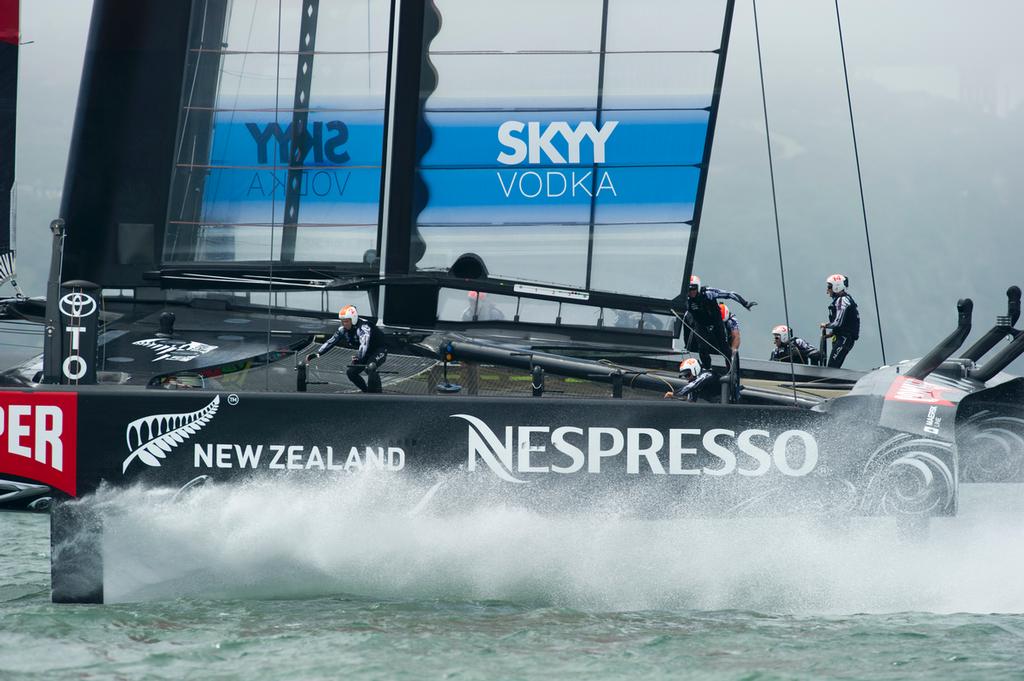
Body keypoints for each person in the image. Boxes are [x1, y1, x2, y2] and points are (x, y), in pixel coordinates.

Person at [681, 275, 756, 373]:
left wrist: (745, 303)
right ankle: (707, 369)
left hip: (716, 322)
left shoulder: (708, 293)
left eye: (694, 288)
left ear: (698, 287)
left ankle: (730, 370)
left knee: (724, 347)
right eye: (689, 289)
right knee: (702, 348)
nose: (691, 292)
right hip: (700, 324)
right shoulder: (685, 298)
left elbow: (729, 294)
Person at [306, 305, 388, 392]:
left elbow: (364, 344)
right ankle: (366, 391)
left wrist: (358, 358)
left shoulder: (364, 327)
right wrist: (318, 353)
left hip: (379, 350)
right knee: (351, 373)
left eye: (346, 321)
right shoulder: (342, 329)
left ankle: (378, 393)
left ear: (353, 319)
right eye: (342, 321)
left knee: (370, 368)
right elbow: (331, 341)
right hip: (367, 353)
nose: (344, 324)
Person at [820, 273, 859, 368]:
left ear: (836, 287)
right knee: (833, 367)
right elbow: (843, 324)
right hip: (842, 338)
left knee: (832, 367)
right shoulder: (841, 300)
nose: (827, 290)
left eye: (829, 287)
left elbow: (838, 322)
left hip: (844, 339)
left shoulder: (842, 300)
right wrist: (831, 334)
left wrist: (826, 325)